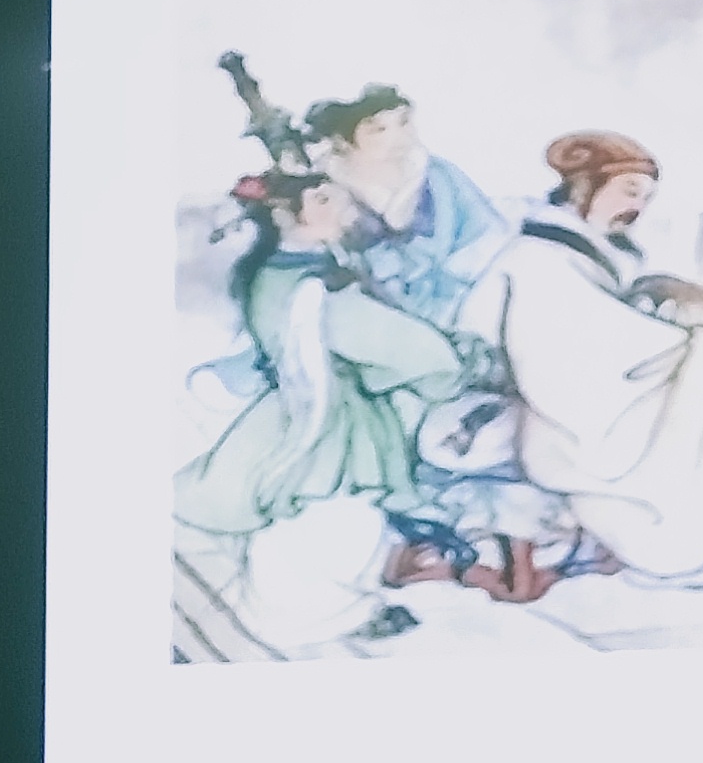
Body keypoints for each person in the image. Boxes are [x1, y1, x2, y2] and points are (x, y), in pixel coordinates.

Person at [171, 164, 477, 659]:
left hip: (305, 405)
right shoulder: (312, 288)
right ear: (285, 214)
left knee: (317, 519)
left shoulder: (281, 271)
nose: (342, 209)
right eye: (324, 201)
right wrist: (450, 367)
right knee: (332, 515)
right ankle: (307, 618)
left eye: (338, 198)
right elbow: (404, 349)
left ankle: (325, 611)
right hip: (329, 416)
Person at [450, 129, 703, 581]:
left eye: (646, 198)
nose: (637, 207)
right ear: (584, 187)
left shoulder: (591, 255)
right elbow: (596, 346)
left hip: (580, 398)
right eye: (629, 191)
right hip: (548, 415)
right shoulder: (539, 259)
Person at [311, 86, 509, 324]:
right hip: (399, 318)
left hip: (476, 286)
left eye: (404, 122)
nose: (398, 137)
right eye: (379, 129)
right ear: (342, 141)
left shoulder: (437, 173)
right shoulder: (333, 198)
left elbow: (489, 229)